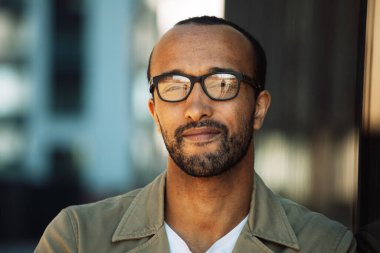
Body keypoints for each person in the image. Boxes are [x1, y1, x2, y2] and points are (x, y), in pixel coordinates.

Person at [35, 16, 357, 253]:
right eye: (174, 87)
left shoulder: (326, 245)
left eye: (222, 83)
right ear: (155, 115)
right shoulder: (77, 239)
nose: (196, 108)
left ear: (259, 109)